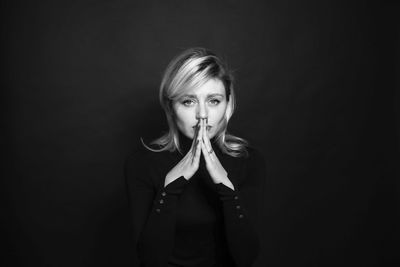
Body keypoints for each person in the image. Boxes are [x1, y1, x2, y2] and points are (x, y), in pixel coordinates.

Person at [125, 47, 266, 267]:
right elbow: (150, 259)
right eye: (188, 101)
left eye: (214, 101)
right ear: (171, 107)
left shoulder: (248, 160)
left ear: (228, 104)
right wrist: (170, 187)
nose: (202, 114)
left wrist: (226, 188)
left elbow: (246, 256)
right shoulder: (142, 162)